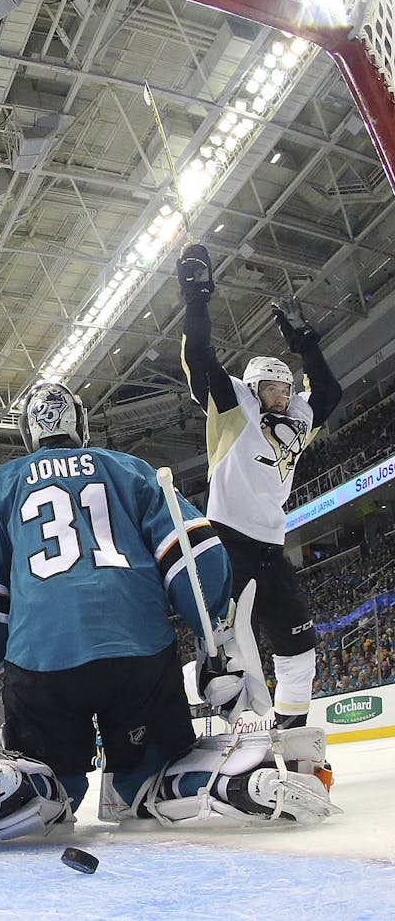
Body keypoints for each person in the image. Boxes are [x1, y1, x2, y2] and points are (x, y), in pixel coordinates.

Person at [0, 382, 332, 848]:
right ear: (81, 427)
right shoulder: (130, 469)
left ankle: (31, 788)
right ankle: (231, 781)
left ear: (28, 433)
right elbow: (199, 552)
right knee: (151, 774)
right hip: (139, 651)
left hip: (44, 657)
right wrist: (213, 634)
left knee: (56, 776)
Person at [178, 243, 343, 728]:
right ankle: (216, 723)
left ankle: (292, 732)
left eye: (289, 389)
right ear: (254, 389)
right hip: (228, 539)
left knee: (298, 643)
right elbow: (199, 356)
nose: (286, 396)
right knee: (223, 645)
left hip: (273, 545)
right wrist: (196, 300)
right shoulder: (235, 407)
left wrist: (307, 344)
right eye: (275, 388)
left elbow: (329, 392)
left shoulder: (296, 418)